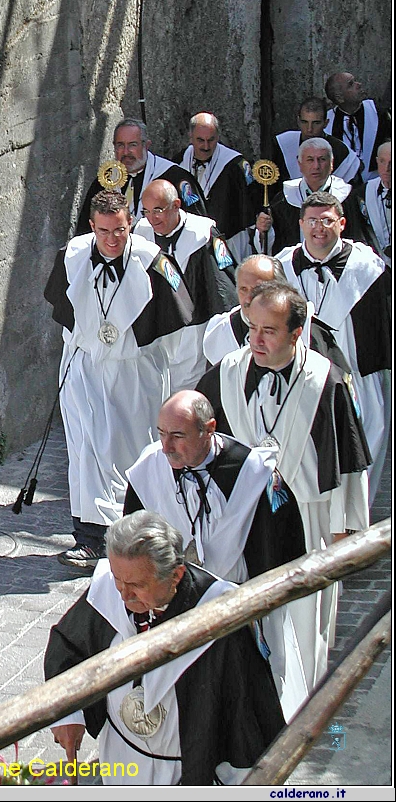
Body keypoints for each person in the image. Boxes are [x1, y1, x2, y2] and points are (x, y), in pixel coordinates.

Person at [196, 283, 370, 694]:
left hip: (307, 518)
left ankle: (300, 704)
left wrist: (346, 533)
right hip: (239, 519)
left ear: (296, 333)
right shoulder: (226, 373)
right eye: (251, 327)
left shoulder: (325, 381)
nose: (255, 339)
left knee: (302, 621)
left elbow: (349, 461)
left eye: (269, 330)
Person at [44, 511, 285, 785]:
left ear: (175, 575)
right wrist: (69, 713)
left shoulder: (221, 618)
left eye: (136, 585)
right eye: (117, 580)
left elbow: (247, 714)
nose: (123, 594)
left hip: (185, 773)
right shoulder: (110, 591)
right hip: (119, 760)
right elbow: (69, 645)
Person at [123, 391, 306, 718]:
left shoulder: (253, 475)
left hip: (238, 606)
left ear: (208, 429)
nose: (166, 447)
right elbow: (131, 542)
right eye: (161, 434)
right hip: (171, 606)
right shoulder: (149, 470)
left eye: (178, 436)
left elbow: (279, 550)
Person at [44, 190, 193, 568]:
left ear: (131, 224)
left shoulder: (152, 261)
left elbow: (174, 324)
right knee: (87, 448)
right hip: (86, 366)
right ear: (92, 227)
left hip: (135, 371)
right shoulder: (73, 255)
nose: (113, 239)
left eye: (121, 230)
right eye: (105, 231)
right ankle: (91, 537)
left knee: (132, 448)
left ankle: (140, 535)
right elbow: (64, 311)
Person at [276, 192, 391, 505]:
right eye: (312, 220)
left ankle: (357, 528)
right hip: (299, 375)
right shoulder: (283, 266)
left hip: (356, 373)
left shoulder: (367, 266)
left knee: (363, 445)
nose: (319, 228)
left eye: (327, 220)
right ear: (301, 224)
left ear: (341, 223)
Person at [133, 178, 236, 391]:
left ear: (176, 205)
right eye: (147, 212)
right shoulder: (140, 232)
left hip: (193, 328)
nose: (152, 219)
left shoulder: (203, 233)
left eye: (158, 210)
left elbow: (225, 280)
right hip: (156, 326)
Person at [202, 254, 350, 374]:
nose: (248, 299)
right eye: (243, 289)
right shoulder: (220, 333)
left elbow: (335, 385)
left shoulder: (307, 328)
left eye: (256, 289)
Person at [75, 118, 206, 234]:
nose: (126, 152)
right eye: (120, 145)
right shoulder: (105, 181)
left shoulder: (176, 177)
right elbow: (85, 229)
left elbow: (197, 224)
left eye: (132, 145)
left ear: (146, 145)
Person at [249, 138, 364, 255]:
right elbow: (272, 244)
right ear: (300, 164)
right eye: (310, 160)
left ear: (331, 163)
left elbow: (358, 237)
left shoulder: (347, 197)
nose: (316, 166)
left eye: (322, 159)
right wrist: (263, 230)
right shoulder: (285, 198)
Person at [175, 111, 260, 259]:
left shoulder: (236, 165)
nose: (206, 146)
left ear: (218, 137)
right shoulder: (179, 161)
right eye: (200, 140)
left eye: (211, 140)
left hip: (229, 241)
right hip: (191, 242)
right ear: (190, 137)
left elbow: (252, 204)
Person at [273, 97, 360, 183]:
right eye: (304, 122)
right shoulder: (284, 144)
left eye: (316, 123)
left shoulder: (340, 151)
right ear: (298, 121)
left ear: (326, 123)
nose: (309, 129)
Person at [324, 72, 389, 182]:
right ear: (339, 98)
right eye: (351, 84)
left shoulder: (378, 112)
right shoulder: (327, 122)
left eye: (355, 81)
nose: (358, 84)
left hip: (378, 181)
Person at [355, 141, 391, 266]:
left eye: (392, 162)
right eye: (382, 161)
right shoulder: (363, 193)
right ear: (376, 161)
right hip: (377, 265)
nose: (387, 168)